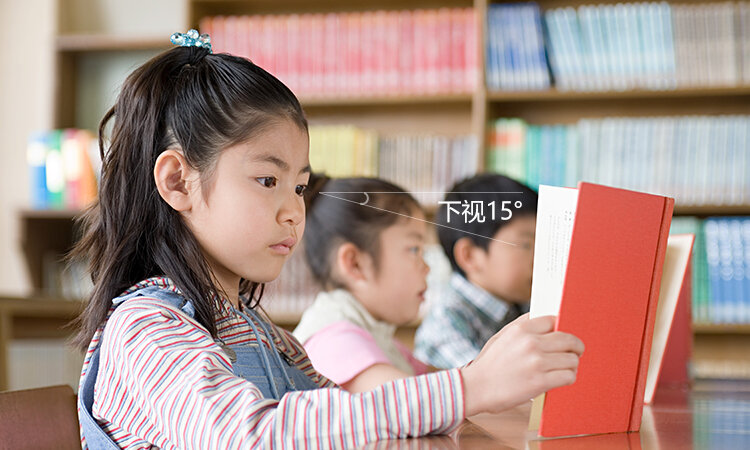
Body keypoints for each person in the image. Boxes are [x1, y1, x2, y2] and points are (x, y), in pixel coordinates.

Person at [71, 30, 583, 449]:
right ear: (178, 181)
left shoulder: (260, 332)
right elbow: (248, 436)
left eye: (299, 186)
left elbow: (350, 422)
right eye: (268, 181)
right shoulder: (147, 327)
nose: (295, 211)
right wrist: (470, 386)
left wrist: (481, 380)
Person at [293, 176, 431, 393]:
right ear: (355, 264)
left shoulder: (384, 340)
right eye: (414, 250)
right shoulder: (334, 340)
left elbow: (442, 380)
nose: (427, 267)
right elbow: (419, 400)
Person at [414, 174, 539, 369]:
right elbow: (498, 391)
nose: (540, 257)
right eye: (526, 245)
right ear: (470, 256)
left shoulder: (524, 304)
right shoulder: (444, 330)